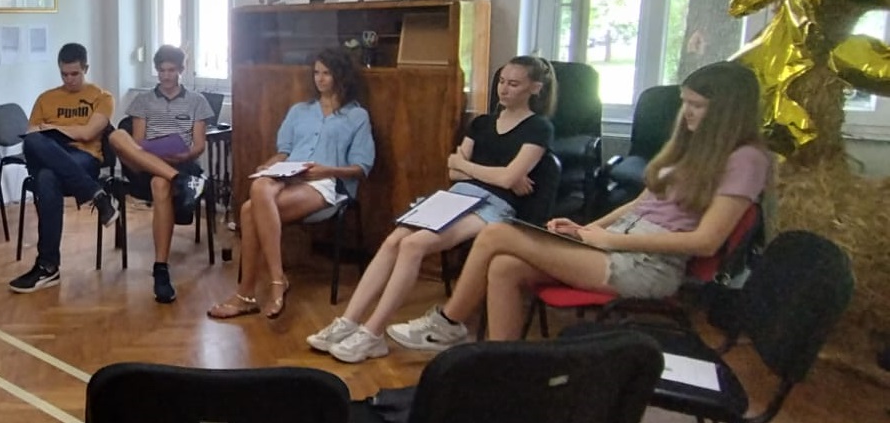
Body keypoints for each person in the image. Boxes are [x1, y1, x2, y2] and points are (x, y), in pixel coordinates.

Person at [385, 60, 771, 350]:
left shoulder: (747, 159)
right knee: (503, 266)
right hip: (619, 244)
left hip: (648, 265)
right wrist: (588, 230)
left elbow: (705, 242)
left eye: (697, 105)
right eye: (685, 103)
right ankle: (501, 363)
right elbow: (641, 203)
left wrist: (609, 240)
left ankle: (448, 322)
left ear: (727, 112)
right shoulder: (692, 147)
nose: (686, 114)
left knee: (497, 234)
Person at [306, 55, 556, 363]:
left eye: (514, 84)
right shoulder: (481, 123)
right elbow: (454, 171)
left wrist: (471, 167)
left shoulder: (538, 128)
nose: (504, 89)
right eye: (502, 81)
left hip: (497, 206)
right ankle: (349, 321)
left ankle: (372, 333)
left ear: (535, 88)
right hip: (459, 194)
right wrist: (492, 173)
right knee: (394, 239)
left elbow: (500, 177)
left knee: (414, 244)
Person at [207, 48, 375, 320]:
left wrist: (326, 169)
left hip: (326, 183)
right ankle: (276, 280)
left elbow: (362, 167)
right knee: (260, 185)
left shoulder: (357, 116)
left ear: (340, 76)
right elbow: (284, 152)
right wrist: (269, 165)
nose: (320, 79)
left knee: (249, 211)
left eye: (327, 73)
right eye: (316, 72)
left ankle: (246, 294)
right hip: (289, 175)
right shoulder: (300, 111)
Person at [9, 43, 117, 293]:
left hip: (83, 157)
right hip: (50, 155)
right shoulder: (46, 98)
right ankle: (96, 195)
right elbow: (33, 135)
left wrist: (55, 129)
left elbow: (88, 133)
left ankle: (47, 266)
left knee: (48, 178)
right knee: (33, 142)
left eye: (75, 74)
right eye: (64, 74)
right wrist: (56, 134)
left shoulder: (102, 97)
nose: (69, 79)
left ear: (86, 68)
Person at [109, 45, 213, 303]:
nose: (166, 76)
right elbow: (138, 143)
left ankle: (161, 269)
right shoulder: (143, 101)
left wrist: (181, 156)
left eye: (171, 70)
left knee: (160, 183)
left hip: (181, 162)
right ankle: (183, 183)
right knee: (117, 135)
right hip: (146, 161)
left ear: (181, 70)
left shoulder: (197, 101)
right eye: (162, 71)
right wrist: (152, 155)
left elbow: (199, 145)